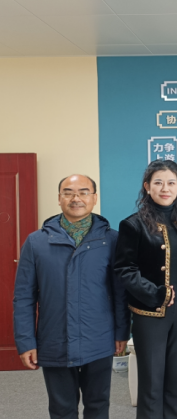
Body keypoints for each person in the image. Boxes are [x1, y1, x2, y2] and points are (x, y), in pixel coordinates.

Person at [13, 174, 130, 419]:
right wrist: (26, 342)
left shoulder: (112, 240)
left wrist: (121, 332)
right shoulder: (36, 242)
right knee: (61, 409)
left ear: (94, 198)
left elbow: (120, 293)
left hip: (99, 338)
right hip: (54, 339)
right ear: (59, 198)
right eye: (68, 193)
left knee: (98, 405)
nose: (76, 198)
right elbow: (23, 297)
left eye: (83, 192)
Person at [114, 160, 177, 419]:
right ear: (147, 187)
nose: (165, 188)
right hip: (150, 314)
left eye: (170, 183)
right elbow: (124, 269)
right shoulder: (133, 224)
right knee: (152, 385)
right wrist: (157, 293)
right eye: (158, 182)